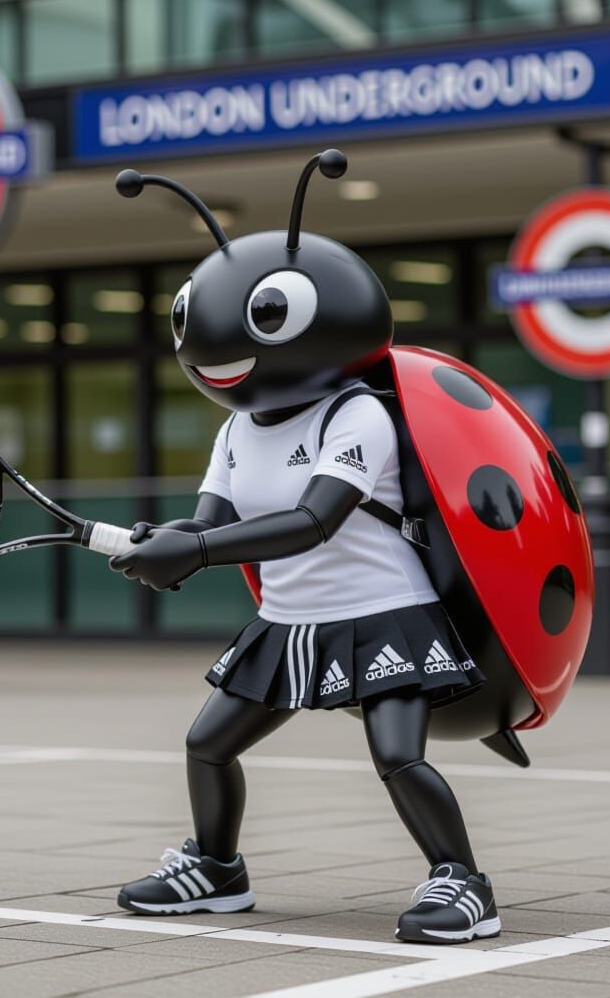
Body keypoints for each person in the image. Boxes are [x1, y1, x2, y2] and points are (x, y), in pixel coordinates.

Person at [108, 153, 501, 944]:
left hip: (383, 613)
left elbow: (313, 521)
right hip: (289, 619)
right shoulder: (235, 429)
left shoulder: (355, 414)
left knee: (397, 755)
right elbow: (212, 518)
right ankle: (217, 867)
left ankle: (464, 883)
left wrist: (196, 551)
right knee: (207, 744)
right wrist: (166, 541)